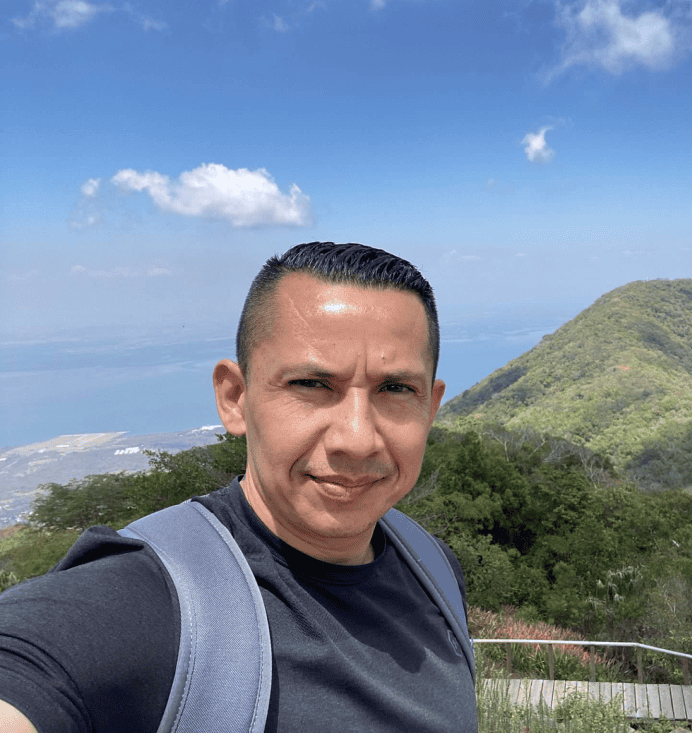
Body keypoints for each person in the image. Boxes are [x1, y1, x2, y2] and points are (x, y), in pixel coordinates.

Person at [0, 242, 478, 732]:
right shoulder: (153, 604)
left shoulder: (433, 570)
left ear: (430, 406)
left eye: (396, 389)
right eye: (312, 384)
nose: (357, 439)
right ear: (235, 397)